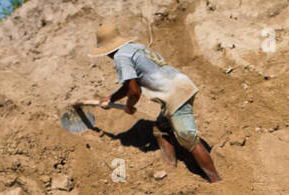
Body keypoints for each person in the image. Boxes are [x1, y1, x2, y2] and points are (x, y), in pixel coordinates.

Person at [88, 23, 221, 183]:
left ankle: (216, 181)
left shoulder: (120, 57)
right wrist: (111, 99)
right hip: (182, 85)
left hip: (174, 95)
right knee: (160, 128)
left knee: (188, 139)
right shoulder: (136, 48)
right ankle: (171, 168)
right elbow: (128, 86)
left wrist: (129, 106)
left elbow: (134, 91)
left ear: (107, 50)